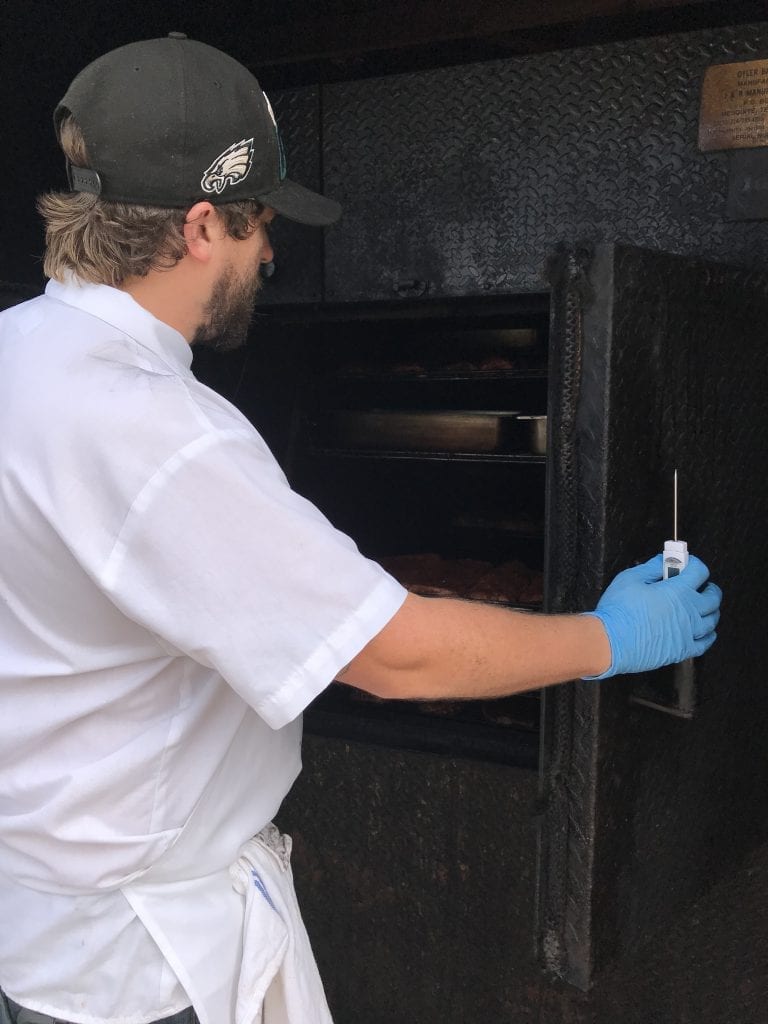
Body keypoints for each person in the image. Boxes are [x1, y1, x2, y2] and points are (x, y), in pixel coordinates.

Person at [0, 34, 721, 1024]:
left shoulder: (18, 355)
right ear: (202, 225)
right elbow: (393, 658)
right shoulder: (159, 433)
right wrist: (609, 638)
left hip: (43, 924)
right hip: (145, 967)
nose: (271, 251)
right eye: (260, 224)